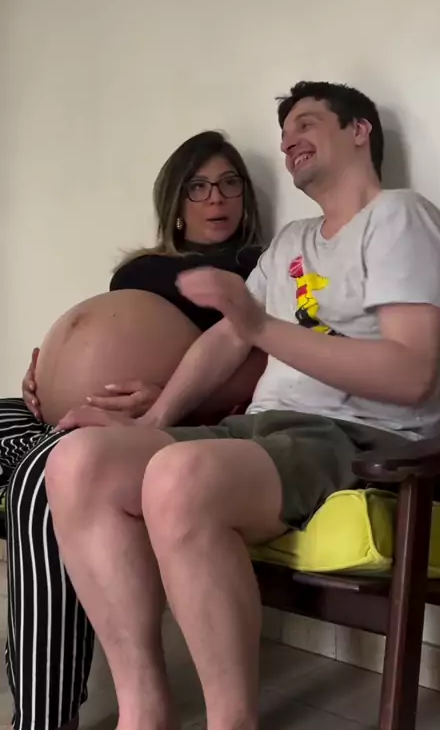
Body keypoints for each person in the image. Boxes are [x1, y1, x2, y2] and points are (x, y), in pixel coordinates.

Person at [45, 82, 440, 730]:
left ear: (359, 131)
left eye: (307, 122)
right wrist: (151, 422)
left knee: (180, 476)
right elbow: (225, 340)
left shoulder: (401, 218)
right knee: (79, 463)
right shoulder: (293, 240)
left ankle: (232, 722)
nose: (288, 140)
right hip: (261, 431)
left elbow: (411, 375)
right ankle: (144, 711)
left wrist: (262, 326)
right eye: (284, 131)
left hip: (360, 437)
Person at [0, 130, 265, 730]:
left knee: (39, 482)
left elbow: (260, 363)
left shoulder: (256, 269)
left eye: (230, 184)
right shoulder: (141, 269)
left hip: (152, 425)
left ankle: (45, 715)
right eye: (199, 186)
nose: (216, 198)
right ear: (176, 203)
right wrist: (41, 375)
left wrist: (166, 398)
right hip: (62, 408)